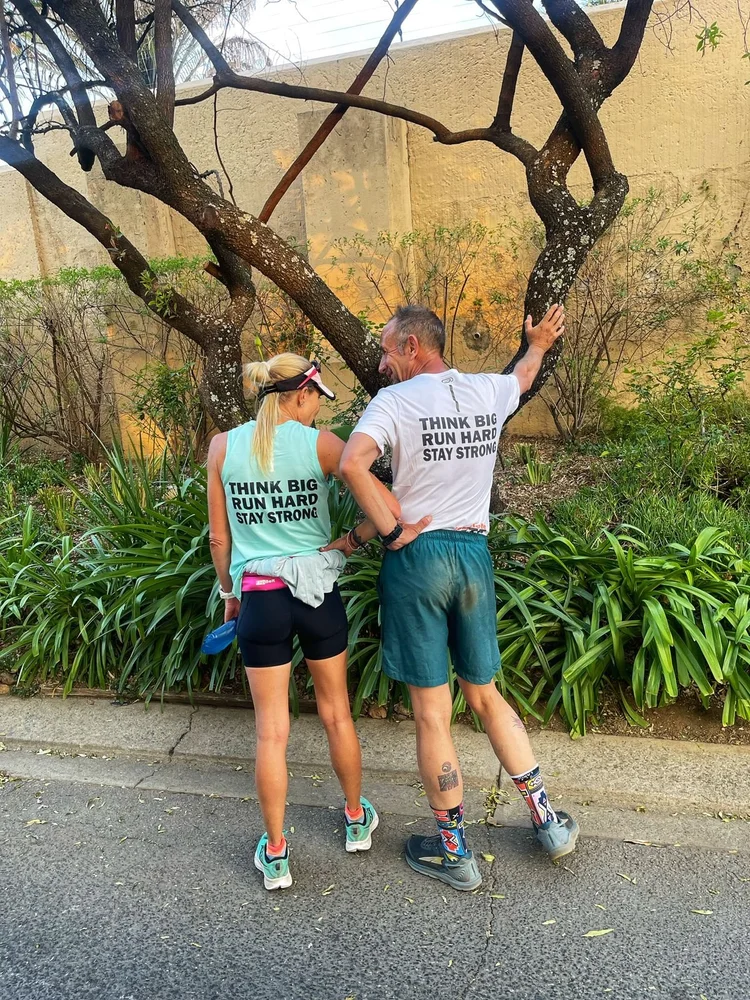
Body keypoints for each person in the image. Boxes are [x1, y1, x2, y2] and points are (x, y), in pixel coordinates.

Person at [337, 304, 577, 892]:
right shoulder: (484, 391)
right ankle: (548, 824)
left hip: (417, 558)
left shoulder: (393, 402)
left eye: (388, 350)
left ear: (412, 345)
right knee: (486, 695)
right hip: (472, 555)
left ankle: (455, 854)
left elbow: (351, 463)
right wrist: (538, 344)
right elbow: (523, 377)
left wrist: (390, 531)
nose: (382, 363)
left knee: (432, 712)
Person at [206, 353, 402, 891]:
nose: (318, 410)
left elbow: (219, 539)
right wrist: (355, 540)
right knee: (337, 713)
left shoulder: (222, 447)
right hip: (317, 593)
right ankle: (356, 819)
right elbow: (386, 503)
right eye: (317, 399)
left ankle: (275, 853)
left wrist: (229, 595)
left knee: (271, 732)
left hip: (260, 598)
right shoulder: (321, 445)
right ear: (301, 394)